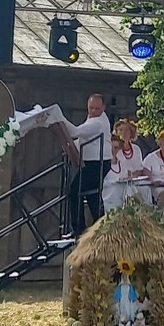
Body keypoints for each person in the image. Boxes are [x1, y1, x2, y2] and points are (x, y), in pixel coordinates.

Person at [58, 94, 112, 235]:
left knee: (74, 192)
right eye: (90, 108)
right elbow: (87, 138)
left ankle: (79, 229)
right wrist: (72, 146)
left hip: (97, 164)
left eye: (96, 108)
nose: (93, 111)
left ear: (103, 108)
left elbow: (75, 132)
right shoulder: (93, 119)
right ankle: (101, 228)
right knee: (92, 197)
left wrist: (58, 118)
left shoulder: (98, 122)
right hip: (93, 162)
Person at [100, 119, 146, 212]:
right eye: (121, 130)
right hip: (110, 195)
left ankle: (142, 209)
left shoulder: (121, 163)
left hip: (124, 192)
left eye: (116, 148)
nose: (113, 150)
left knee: (138, 189)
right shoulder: (104, 164)